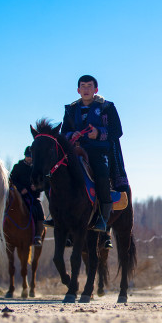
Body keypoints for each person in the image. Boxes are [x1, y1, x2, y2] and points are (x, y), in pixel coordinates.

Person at [58, 75, 129, 232]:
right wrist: (71, 135)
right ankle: (56, 213)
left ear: (95, 89)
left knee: (102, 174)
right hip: (75, 152)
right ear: (78, 90)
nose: (86, 89)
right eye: (83, 86)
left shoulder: (107, 107)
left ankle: (103, 218)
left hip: (99, 151)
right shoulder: (70, 110)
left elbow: (117, 131)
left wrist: (98, 133)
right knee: (57, 172)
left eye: (89, 86)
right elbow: (64, 133)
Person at [9, 146, 45, 246]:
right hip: (19, 196)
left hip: (34, 197)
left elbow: (44, 183)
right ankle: (3, 232)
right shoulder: (18, 167)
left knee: (40, 212)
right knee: (7, 208)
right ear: (25, 156)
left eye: (31, 156)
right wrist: (20, 189)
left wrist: (37, 187)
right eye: (28, 156)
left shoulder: (38, 168)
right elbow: (11, 180)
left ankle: (38, 236)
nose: (29, 158)